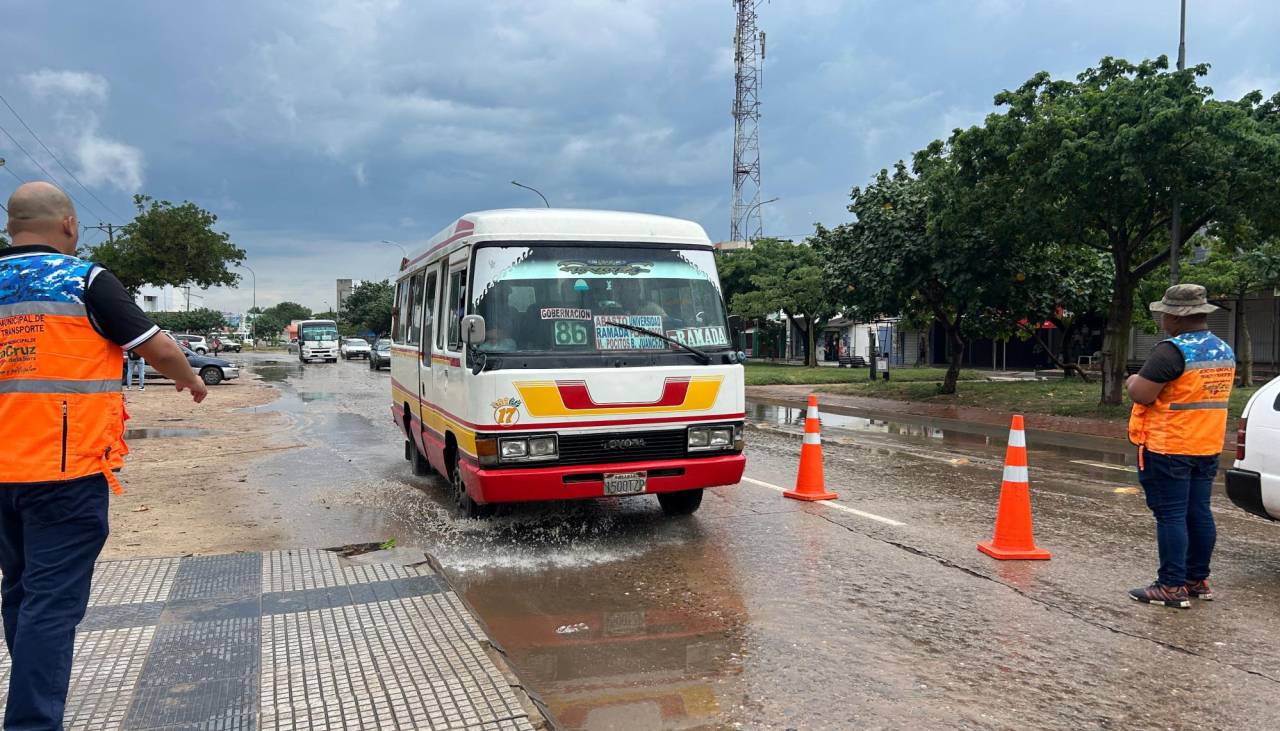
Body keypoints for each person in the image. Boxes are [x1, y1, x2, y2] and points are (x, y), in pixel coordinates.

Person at [0, 182, 208, 728]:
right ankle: (31, 721)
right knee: (51, 601)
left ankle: (30, 688)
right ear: (69, 225)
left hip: (2, 475)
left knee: (19, 587)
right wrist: (191, 381)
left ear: (10, 227)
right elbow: (155, 346)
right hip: (64, 472)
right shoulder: (84, 280)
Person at [1126, 284, 1235, 609]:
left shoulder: (1171, 351)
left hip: (1169, 444)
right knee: (1198, 512)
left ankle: (1171, 585)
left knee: (1171, 515)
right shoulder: (1223, 349)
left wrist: (1132, 381)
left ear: (1175, 316)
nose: (1162, 320)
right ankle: (1196, 580)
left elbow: (1142, 394)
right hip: (1207, 445)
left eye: (1164, 314)